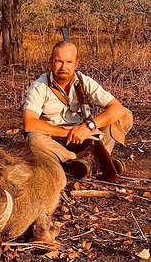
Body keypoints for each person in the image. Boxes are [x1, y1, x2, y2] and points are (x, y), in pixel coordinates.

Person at [23, 41, 133, 179]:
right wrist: (69, 131)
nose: (63, 67)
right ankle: (76, 162)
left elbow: (117, 108)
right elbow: (29, 123)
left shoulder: (84, 81)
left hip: (84, 136)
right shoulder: (39, 86)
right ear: (51, 61)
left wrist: (88, 126)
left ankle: (88, 160)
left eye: (69, 62)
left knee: (123, 115)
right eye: (59, 61)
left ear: (76, 64)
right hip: (55, 141)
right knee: (34, 138)